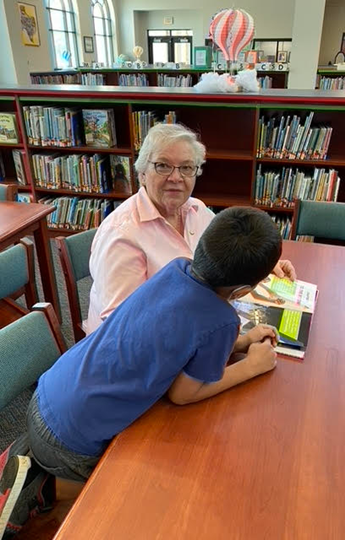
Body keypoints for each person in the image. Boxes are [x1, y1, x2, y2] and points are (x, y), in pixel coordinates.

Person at [0, 206, 283, 538]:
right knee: (132, 501)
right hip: (70, 443)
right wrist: (251, 366)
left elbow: (177, 343)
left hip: (49, 393)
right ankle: (46, 490)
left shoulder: (176, 268)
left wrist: (240, 344)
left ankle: (36, 460)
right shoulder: (222, 320)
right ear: (242, 291)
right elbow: (182, 394)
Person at [86, 123, 296, 335]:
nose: (176, 178)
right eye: (163, 165)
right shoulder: (121, 235)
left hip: (192, 322)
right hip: (139, 351)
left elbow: (227, 253)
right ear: (142, 173)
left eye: (186, 168)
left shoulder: (196, 209)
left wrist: (261, 265)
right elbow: (125, 331)